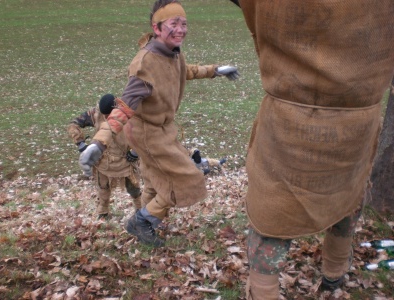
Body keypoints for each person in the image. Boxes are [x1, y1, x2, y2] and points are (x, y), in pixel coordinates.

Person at [231, 0, 394, 298]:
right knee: (345, 199)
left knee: (273, 213)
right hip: (356, 122)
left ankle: (265, 291)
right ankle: (334, 274)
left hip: (290, 123)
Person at [78, 0, 240, 247]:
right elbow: (125, 106)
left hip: (163, 129)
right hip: (147, 133)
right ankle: (142, 221)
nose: (181, 29)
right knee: (189, 178)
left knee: (155, 181)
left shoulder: (172, 53)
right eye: (174, 24)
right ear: (157, 28)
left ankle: (148, 224)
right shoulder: (145, 64)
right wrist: (99, 143)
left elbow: (187, 70)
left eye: (184, 24)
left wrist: (216, 70)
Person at [68, 94, 142, 219]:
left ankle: (140, 212)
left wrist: (135, 152)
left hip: (126, 160)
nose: (107, 118)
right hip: (103, 160)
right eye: (105, 115)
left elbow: (144, 132)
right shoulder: (95, 114)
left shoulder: (128, 114)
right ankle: (103, 213)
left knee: (134, 189)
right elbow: (73, 124)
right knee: (103, 188)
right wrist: (81, 144)